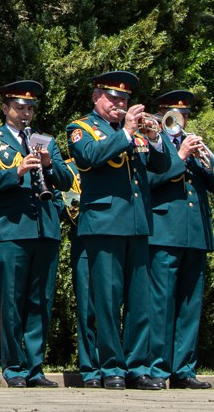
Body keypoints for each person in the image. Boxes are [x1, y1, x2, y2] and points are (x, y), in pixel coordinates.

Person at [60, 71, 177, 391]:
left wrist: (154, 137)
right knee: (107, 301)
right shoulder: (80, 128)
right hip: (104, 224)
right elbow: (89, 158)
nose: (119, 104)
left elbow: (163, 167)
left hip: (138, 223)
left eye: (124, 99)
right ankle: (110, 365)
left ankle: (138, 366)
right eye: (113, 98)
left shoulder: (136, 132)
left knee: (140, 302)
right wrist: (125, 133)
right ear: (96, 97)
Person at [0, 80, 70, 388]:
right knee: (13, 299)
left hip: (45, 228)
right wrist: (16, 172)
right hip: (12, 230)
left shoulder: (45, 140)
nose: (25, 113)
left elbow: (67, 180)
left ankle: (34, 367)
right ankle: (14, 367)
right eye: (19, 107)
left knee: (39, 300)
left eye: (30, 108)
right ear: (5, 109)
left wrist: (48, 163)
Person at [144, 90, 214, 390]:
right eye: (175, 115)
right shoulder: (151, 143)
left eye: (186, 116)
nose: (181, 121)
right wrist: (179, 158)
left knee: (189, 306)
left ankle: (183, 369)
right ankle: (156, 368)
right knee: (161, 305)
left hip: (196, 233)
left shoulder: (196, 146)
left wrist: (207, 163)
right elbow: (149, 182)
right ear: (162, 115)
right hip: (165, 231)